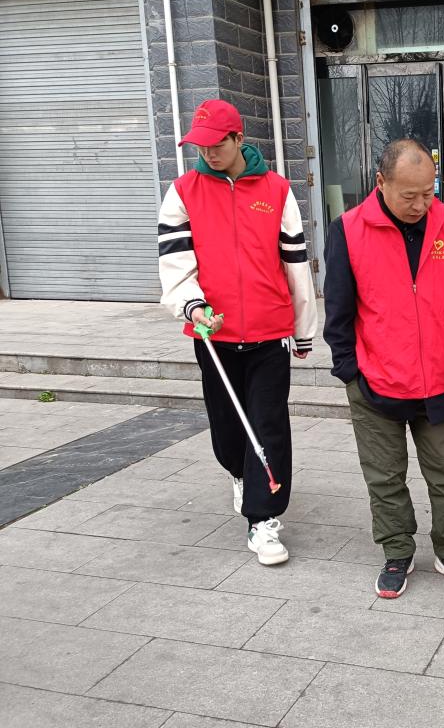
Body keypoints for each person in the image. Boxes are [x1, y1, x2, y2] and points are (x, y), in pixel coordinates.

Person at [323, 138, 444, 599]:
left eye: (428, 193)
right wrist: (349, 371)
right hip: (375, 380)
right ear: (381, 183)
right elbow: (338, 310)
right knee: (384, 478)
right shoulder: (348, 230)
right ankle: (397, 551)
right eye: (409, 195)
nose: (421, 205)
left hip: (439, 379)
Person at [157, 99, 317, 566]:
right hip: (214, 335)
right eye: (200, 146)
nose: (208, 153)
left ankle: (263, 520)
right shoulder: (183, 192)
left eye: (217, 144)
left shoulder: (277, 190)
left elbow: (296, 263)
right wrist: (193, 306)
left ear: (238, 139)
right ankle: (239, 472)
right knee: (228, 429)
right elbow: (175, 263)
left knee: (267, 424)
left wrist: (303, 328)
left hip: (269, 333)